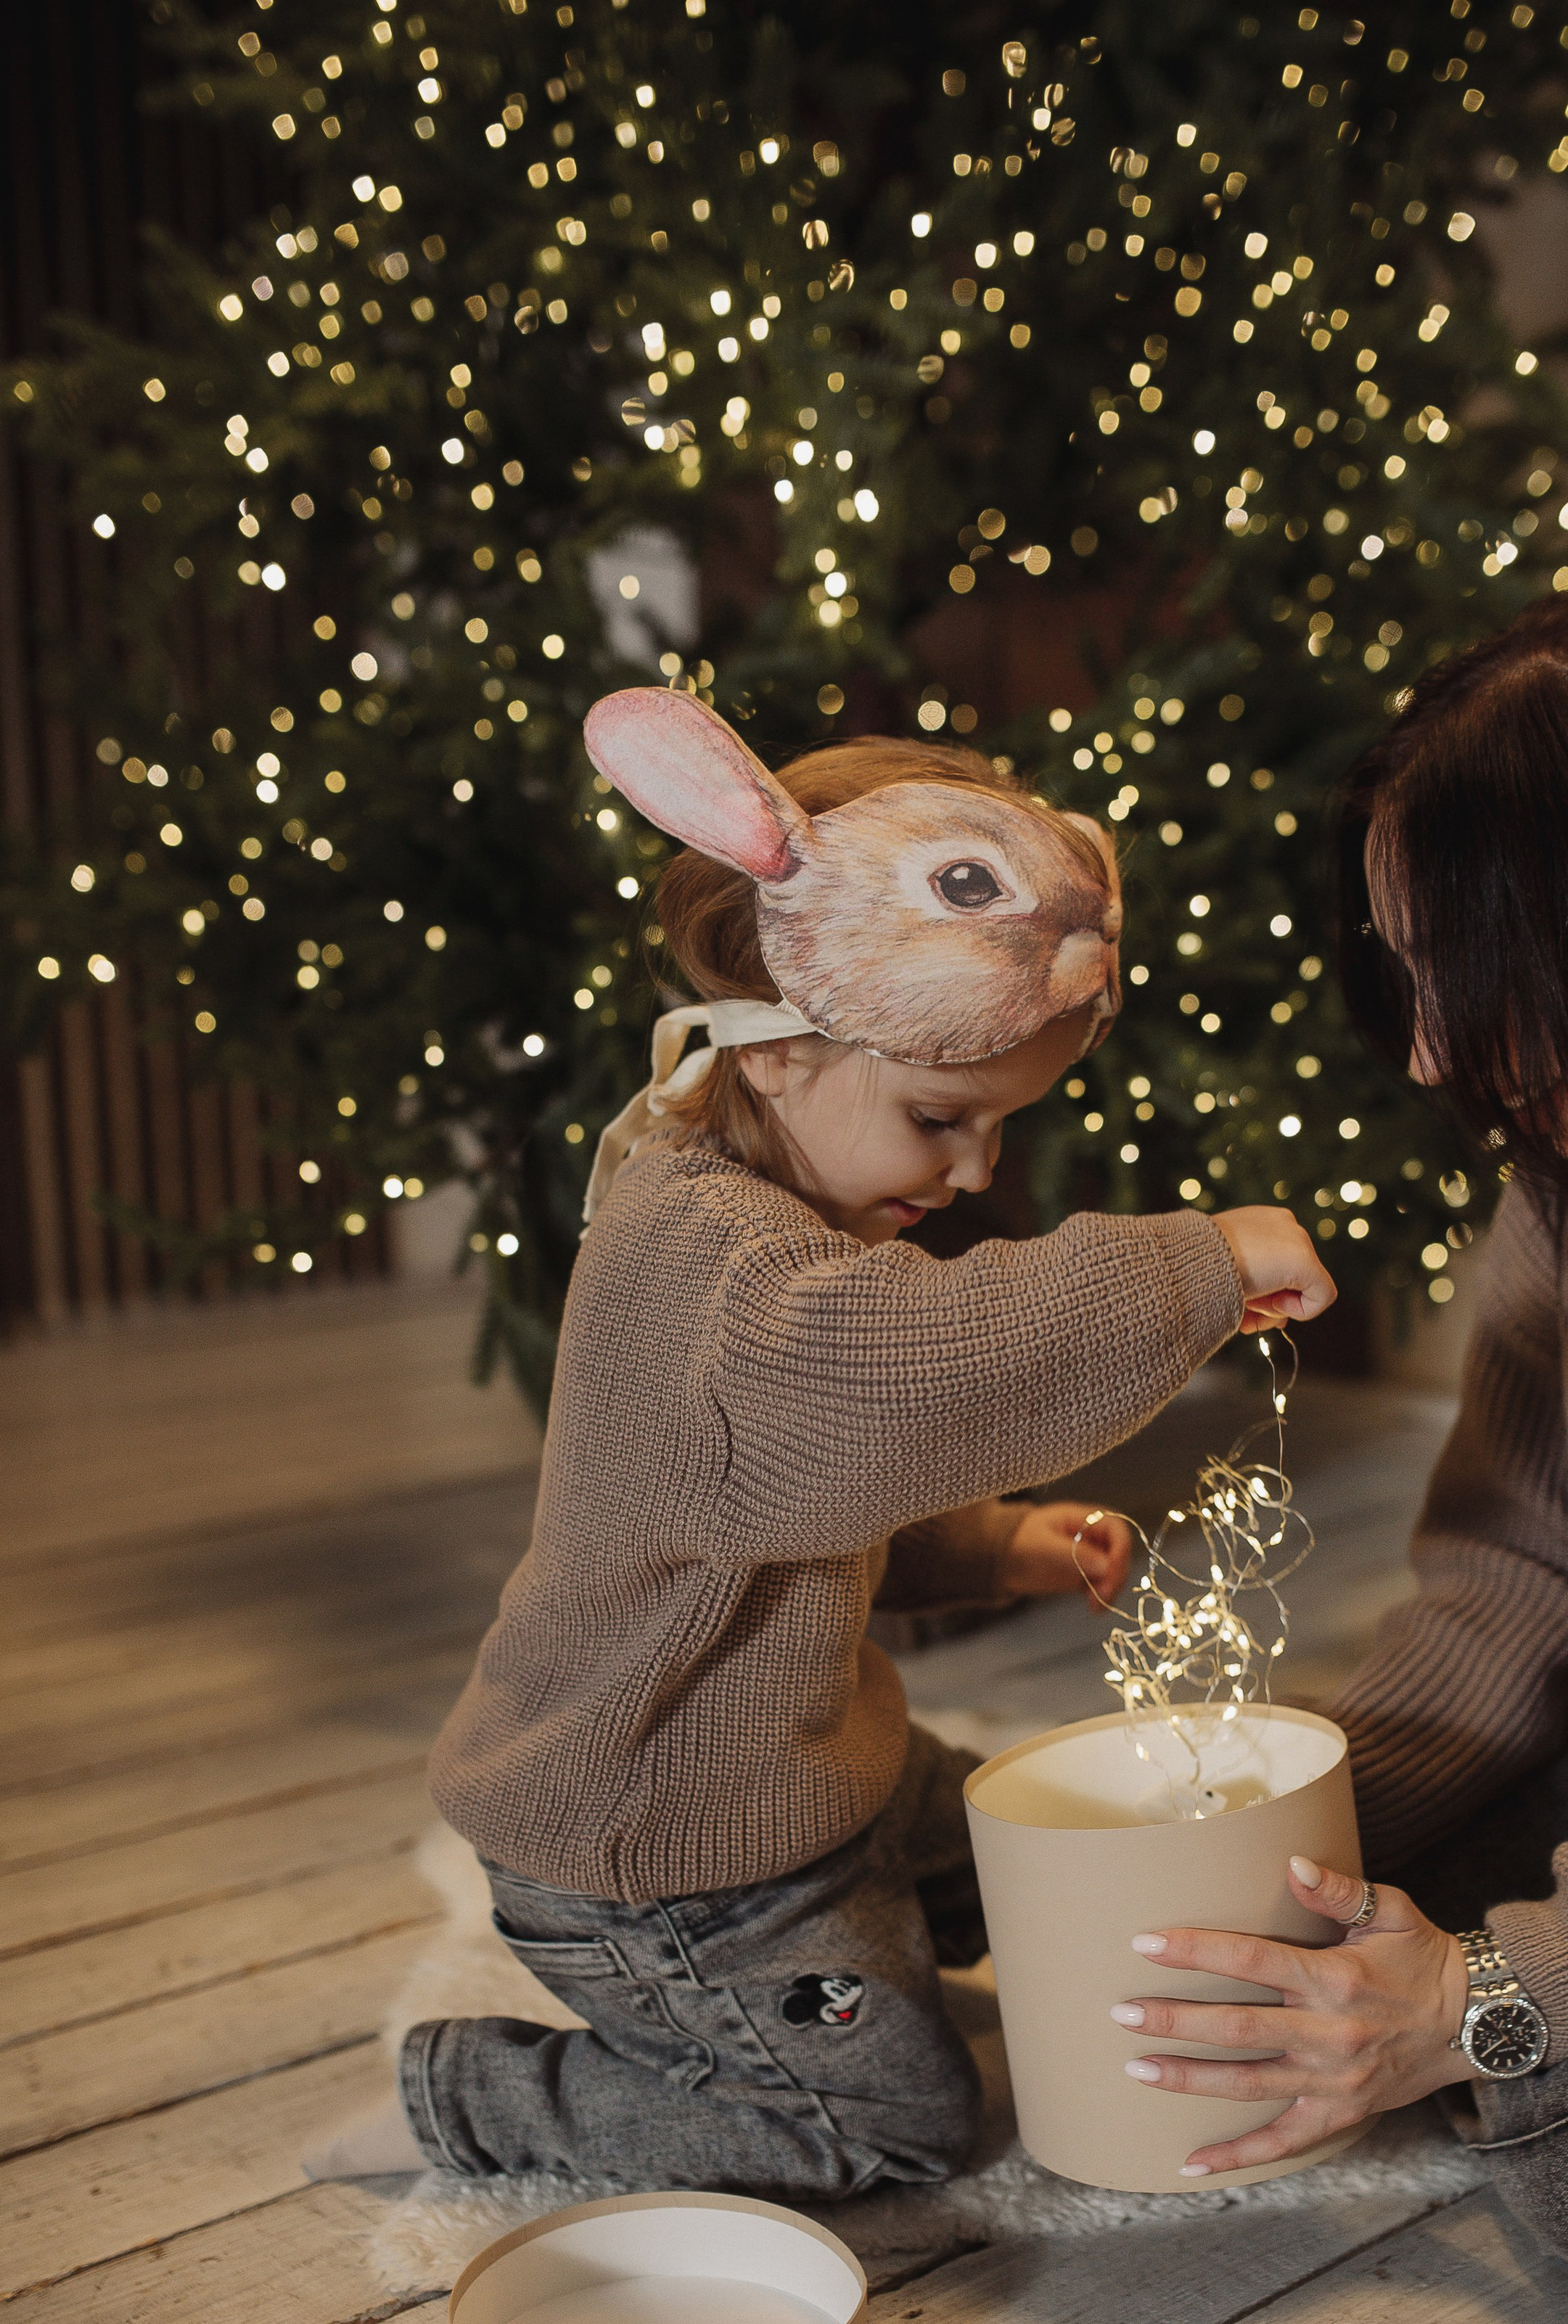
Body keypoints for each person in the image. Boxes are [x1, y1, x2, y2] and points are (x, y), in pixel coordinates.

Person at [304, 725, 1332, 2192]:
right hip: (666, 1853)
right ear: (779, 1053)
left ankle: (884, 1941)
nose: (973, 1175)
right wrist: (1199, 1267)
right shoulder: (712, 1266)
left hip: (800, 1777)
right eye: (940, 1121)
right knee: (890, 2118)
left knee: (1043, 1865)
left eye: (994, 1133)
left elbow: (804, 1501)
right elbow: (938, 1368)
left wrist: (995, 1547)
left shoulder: (771, 1232)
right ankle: (473, 2099)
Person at [1110, 586, 1568, 2296]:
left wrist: (1486, 1995)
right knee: (1232, 1933)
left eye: (1486, 982)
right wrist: (1306, 1825)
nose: (1437, 1053)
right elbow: (1511, 1562)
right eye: (1414, 977)